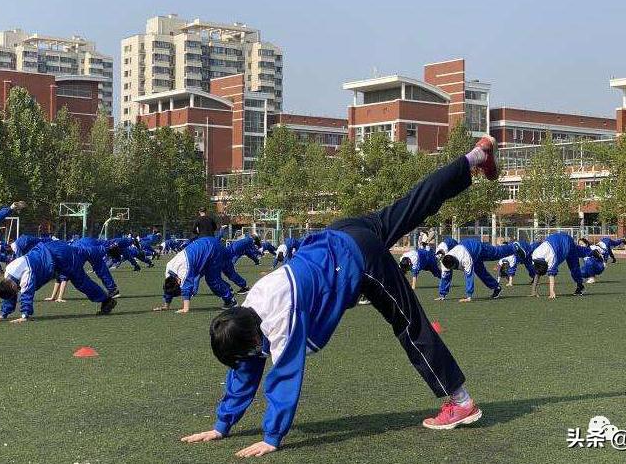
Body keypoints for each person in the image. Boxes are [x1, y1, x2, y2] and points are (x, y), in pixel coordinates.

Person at [179, 136, 500, 457]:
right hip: (339, 232)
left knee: (408, 323)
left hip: (358, 258)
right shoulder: (250, 305)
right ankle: (475, 157)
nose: (252, 355)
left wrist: (272, 437)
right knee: (415, 201)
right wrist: (222, 425)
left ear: (252, 339)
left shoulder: (280, 322)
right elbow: (246, 366)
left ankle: (461, 402)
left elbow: (284, 378)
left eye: (249, 350)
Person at [0, 240, 117, 323]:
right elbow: (10, 294)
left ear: (12, 285)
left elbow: (27, 293)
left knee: (81, 281)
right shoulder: (8, 273)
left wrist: (24, 315)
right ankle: (109, 248)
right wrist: (3, 314)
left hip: (59, 256)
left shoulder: (25, 275)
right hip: (52, 249)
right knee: (84, 252)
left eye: (15, 291)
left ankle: (106, 300)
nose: (17, 291)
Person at [154, 236, 237, 313]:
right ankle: (228, 290)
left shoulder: (184, 269)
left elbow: (187, 287)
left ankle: (231, 301)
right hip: (204, 245)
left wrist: (185, 308)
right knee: (212, 279)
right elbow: (168, 287)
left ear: (178, 281)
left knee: (212, 280)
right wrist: (166, 306)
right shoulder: (168, 271)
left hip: (212, 248)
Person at [440, 240, 526, 302]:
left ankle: (514, 247)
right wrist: (442, 295)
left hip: (476, 247)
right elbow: (445, 277)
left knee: (496, 253)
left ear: (455, 261)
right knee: (480, 272)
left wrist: (469, 296)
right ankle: (496, 288)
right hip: (469, 251)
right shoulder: (444, 263)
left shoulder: (465, 259)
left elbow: (469, 276)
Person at [45, 237, 122, 302]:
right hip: (85, 242)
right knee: (99, 267)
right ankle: (112, 290)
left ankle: (106, 295)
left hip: (81, 249)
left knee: (81, 276)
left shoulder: (62, 256)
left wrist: (59, 297)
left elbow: (63, 278)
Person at [530, 233, 595, 299]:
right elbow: (537, 272)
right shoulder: (534, 256)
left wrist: (552, 292)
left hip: (566, 242)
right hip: (555, 239)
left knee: (573, 265)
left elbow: (551, 275)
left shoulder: (551, 257)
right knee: (576, 250)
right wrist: (533, 291)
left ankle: (580, 285)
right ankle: (592, 252)